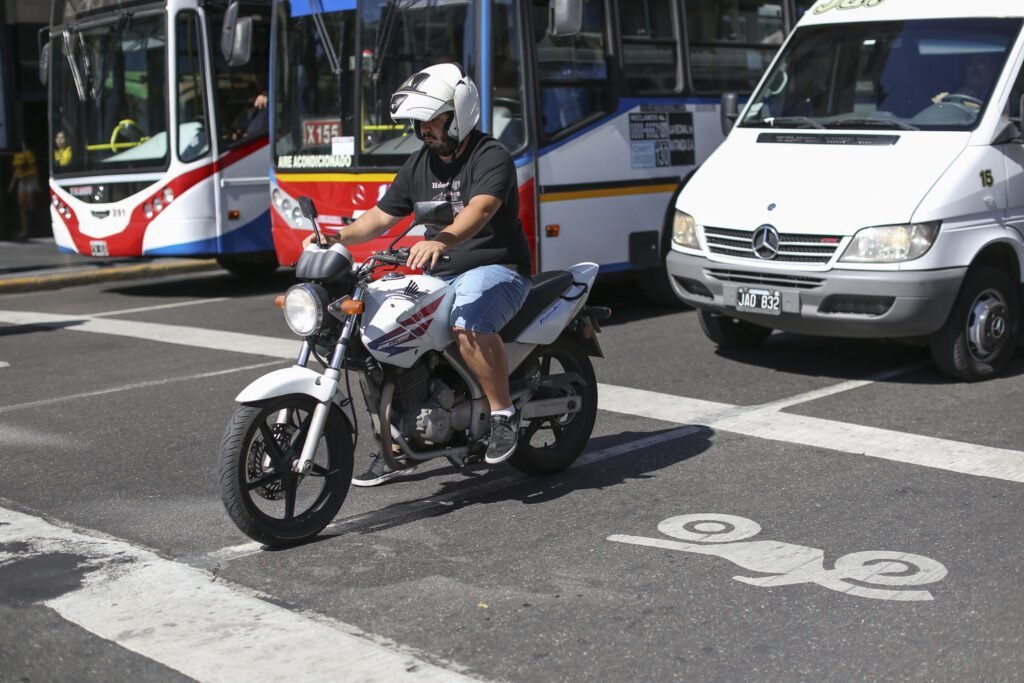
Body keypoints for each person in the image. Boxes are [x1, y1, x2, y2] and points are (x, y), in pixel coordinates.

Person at [302, 63, 532, 486]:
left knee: (468, 321)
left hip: (496, 268)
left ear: (458, 115)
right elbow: (380, 216)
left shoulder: (491, 155)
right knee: (378, 333)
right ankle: (396, 447)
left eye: (433, 119)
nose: (424, 128)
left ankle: (503, 416)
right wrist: (336, 237)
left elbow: (480, 210)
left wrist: (442, 240)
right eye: (419, 120)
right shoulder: (419, 163)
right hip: (436, 273)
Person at [7, 140, 40, 241]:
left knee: (31, 205)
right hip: (22, 181)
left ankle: (36, 226)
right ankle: (25, 230)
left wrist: (38, 184)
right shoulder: (17, 156)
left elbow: (35, 168)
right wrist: (12, 183)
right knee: (22, 205)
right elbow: (16, 170)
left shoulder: (29, 154)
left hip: (30, 179)